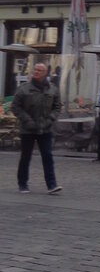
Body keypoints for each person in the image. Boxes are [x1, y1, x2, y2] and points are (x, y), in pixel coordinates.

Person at [12, 62, 61, 195]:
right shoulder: (24, 88)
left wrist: (50, 119)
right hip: (28, 129)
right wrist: (26, 120)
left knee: (47, 155)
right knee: (26, 156)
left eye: (40, 70)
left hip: (45, 128)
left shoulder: (52, 89)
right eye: (35, 69)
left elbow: (57, 107)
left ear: (46, 73)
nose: (36, 72)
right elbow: (15, 107)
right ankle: (22, 184)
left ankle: (52, 185)